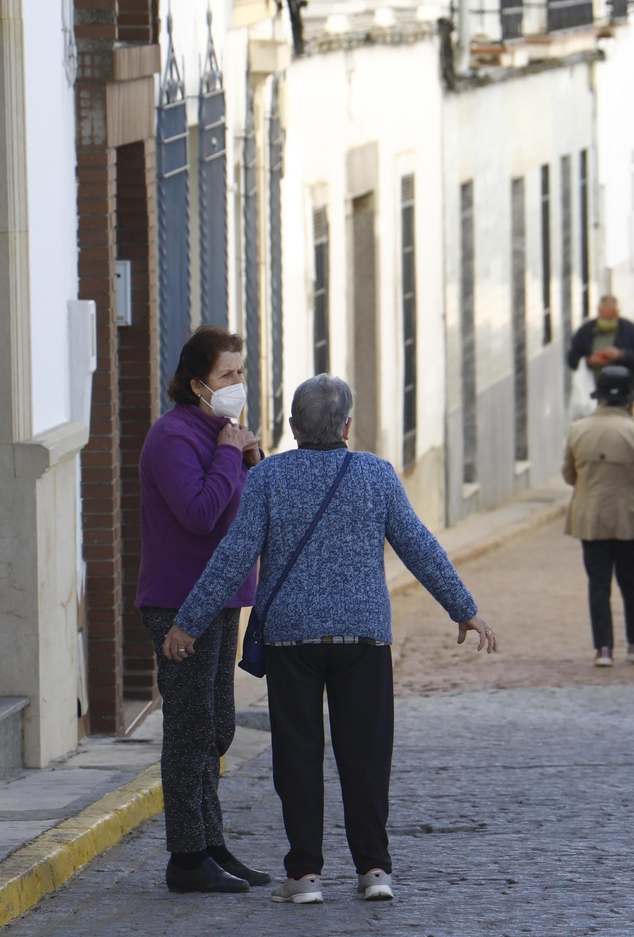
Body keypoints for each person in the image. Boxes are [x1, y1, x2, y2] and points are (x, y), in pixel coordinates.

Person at [163, 374, 497, 906]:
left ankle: (305, 877)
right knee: (365, 756)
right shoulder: (377, 475)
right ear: (347, 426)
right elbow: (418, 545)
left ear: (293, 427)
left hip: (291, 640)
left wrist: (188, 622)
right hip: (362, 637)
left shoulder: (269, 478)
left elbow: (232, 556)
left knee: (297, 757)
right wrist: (464, 609)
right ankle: (374, 870)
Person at [135, 327, 268, 895]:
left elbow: (252, 507)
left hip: (223, 599)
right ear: (197, 384)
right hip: (179, 604)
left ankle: (212, 845)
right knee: (189, 730)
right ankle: (186, 856)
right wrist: (228, 454)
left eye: (241, 372)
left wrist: (251, 457)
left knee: (216, 726)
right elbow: (199, 513)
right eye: (226, 375)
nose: (237, 383)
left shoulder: (224, 434)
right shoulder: (174, 438)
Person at [562, 365, 634, 668]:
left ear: (600, 398)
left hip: (590, 517)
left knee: (598, 584)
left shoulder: (578, 429)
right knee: (632, 582)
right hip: (628, 517)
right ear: (629, 400)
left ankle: (603, 649)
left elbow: (569, 475)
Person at [566, 295, 634, 385]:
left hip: (623, 390)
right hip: (592, 390)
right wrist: (589, 361)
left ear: (617, 314)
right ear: (598, 313)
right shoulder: (585, 332)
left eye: (610, 319)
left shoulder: (630, 330)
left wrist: (621, 355)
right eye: (604, 318)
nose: (607, 322)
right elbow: (572, 359)